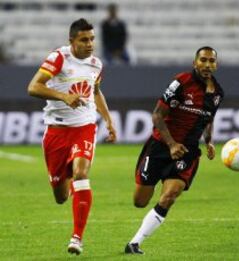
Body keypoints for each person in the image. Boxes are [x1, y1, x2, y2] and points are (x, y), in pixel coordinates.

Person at [27, 18, 116, 255]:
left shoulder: (96, 64)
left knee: (81, 173)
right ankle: (62, 182)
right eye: (84, 40)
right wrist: (64, 97)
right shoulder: (59, 58)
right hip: (56, 130)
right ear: (72, 41)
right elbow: (33, 87)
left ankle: (77, 238)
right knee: (61, 196)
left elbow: (96, 92)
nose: (90, 44)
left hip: (84, 126)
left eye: (92, 39)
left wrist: (107, 119)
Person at [124, 46, 224, 254]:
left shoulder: (218, 93)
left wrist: (209, 141)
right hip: (160, 147)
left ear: (216, 64)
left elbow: (208, 118)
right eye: (203, 60)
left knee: (170, 195)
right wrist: (171, 145)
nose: (207, 65)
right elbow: (157, 115)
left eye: (211, 61)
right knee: (139, 202)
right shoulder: (181, 82)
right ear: (194, 62)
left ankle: (135, 243)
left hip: (187, 152)